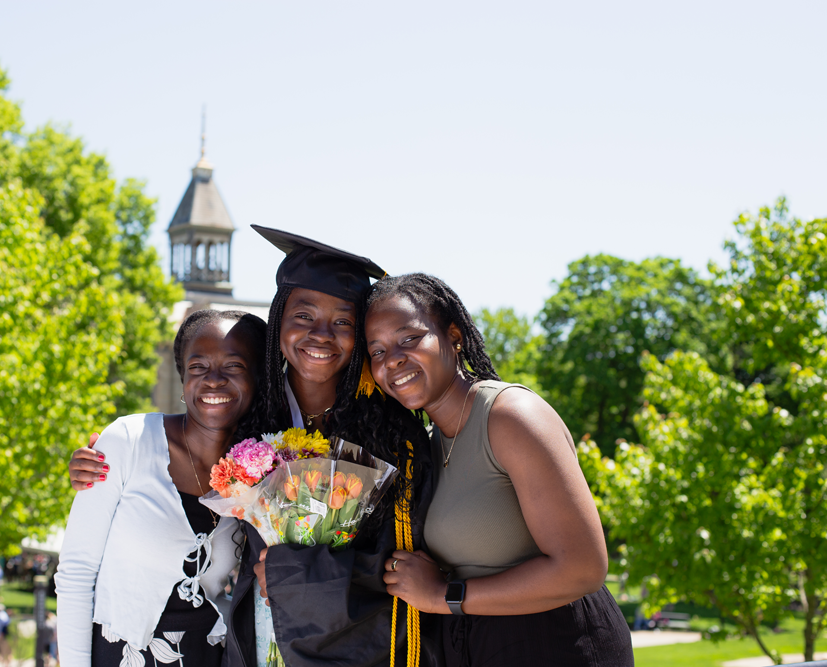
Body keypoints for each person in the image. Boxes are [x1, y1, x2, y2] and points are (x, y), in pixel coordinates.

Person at [69, 228, 441, 667]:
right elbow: (177, 454)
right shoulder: (250, 421)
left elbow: (403, 565)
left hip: (356, 651)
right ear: (279, 319)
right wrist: (103, 457)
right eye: (303, 316)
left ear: (359, 334)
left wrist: (297, 574)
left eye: (342, 321)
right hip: (253, 643)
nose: (321, 335)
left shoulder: (393, 436)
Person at [363, 273, 634, 666]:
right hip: (483, 645)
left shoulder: (509, 417)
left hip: (558, 643)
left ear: (453, 336)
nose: (394, 359)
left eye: (409, 339)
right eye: (377, 351)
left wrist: (444, 596)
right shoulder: (428, 444)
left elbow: (584, 568)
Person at [55, 310, 267, 667]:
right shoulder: (127, 441)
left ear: (258, 378)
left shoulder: (260, 468)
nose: (213, 380)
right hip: (120, 655)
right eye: (198, 367)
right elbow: (75, 574)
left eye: (233, 366)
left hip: (209, 655)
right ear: (183, 377)